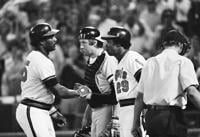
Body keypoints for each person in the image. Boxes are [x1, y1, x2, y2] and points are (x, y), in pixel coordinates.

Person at [15, 23, 84, 137]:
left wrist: (53, 112)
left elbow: (40, 91)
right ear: (41, 41)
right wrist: (79, 92)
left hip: (38, 109)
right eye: (50, 37)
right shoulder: (41, 60)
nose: (55, 39)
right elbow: (59, 91)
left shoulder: (34, 56)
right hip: (33, 110)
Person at [132, 30, 200, 137]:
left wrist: (135, 123)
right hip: (171, 116)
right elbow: (192, 92)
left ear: (164, 44)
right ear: (180, 45)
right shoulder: (182, 61)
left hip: (151, 117)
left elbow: (139, 98)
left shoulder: (149, 62)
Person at [101, 26, 146, 137]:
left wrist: (142, 114)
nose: (106, 45)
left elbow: (146, 84)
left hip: (135, 109)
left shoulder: (132, 57)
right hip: (124, 110)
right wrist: (115, 118)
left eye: (109, 42)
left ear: (119, 43)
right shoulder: (118, 63)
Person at [78, 26, 118, 137]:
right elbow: (93, 91)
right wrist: (87, 114)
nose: (80, 47)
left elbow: (116, 96)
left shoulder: (108, 61)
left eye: (84, 43)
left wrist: (115, 118)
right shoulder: (91, 59)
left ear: (94, 43)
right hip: (96, 109)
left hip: (107, 109)